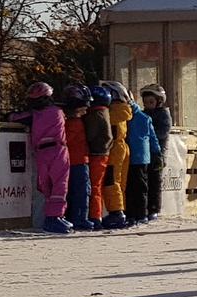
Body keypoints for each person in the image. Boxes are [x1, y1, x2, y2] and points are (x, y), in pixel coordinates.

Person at [9, 81, 71, 233]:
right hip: (58, 151)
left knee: (46, 185)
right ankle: (55, 217)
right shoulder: (58, 111)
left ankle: (53, 217)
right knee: (59, 185)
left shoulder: (32, 115)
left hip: (41, 152)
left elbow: (12, 117)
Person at [122, 83, 160, 224]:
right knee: (140, 187)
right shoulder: (144, 117)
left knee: (135, 188)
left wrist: (157, 153)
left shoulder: (127, 118)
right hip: (142, 157)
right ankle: (140, 213)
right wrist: (157, 153)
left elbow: (152, 138)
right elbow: (153, 138)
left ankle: (137, 213)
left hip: (134, 157)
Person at [98, 82, 134, 229]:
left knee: (111, 180)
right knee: (119, 181)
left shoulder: (112, 112)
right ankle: (120, 210)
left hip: (114, 149)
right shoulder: (123, 110)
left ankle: (116, 212)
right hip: (121, 147)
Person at [62, 84, 97, 229]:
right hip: (79, 161)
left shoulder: (71, 122)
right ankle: (80, 217)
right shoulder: (74, 123)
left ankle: (75, 216)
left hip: (75, 160)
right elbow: (67, 140)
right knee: (82, 191)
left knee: (74, 191)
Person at [82, 86, 117, 226]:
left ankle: (95, 216)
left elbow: (90, 134)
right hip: (102, 153)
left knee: (95, 186)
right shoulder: (105, 112)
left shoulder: (96, 115)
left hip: (97, 153)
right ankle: (96, 215)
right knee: (97, 185)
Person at [138, 84, 173, 220]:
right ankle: (144, 207)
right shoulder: (143, 114)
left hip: (157, 154)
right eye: (146, 103)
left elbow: (162, 133)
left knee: (154, 183)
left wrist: (147, 134)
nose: (148, 105)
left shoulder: (164, 114)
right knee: (145, 182)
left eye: (151, 102)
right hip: (145, 153)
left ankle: (154, 208)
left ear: (159, 101)